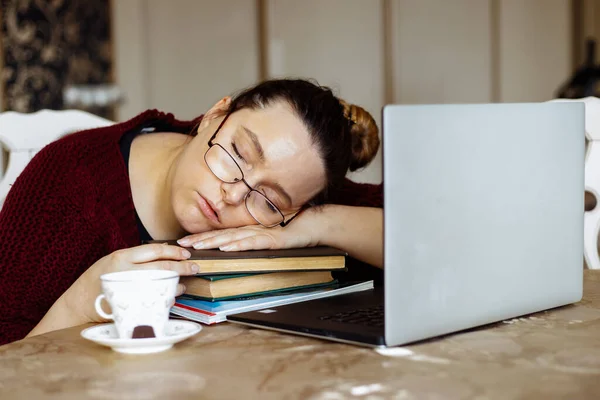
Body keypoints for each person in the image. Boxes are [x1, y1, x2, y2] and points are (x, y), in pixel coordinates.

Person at [0, 79, 383, 345]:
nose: (232, 195)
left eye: (268, 199)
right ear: (216, 115)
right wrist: (81, 302)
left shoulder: (295, 199)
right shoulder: (70, 182)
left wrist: (320, 223)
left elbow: (430, 237)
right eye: (238, 154)